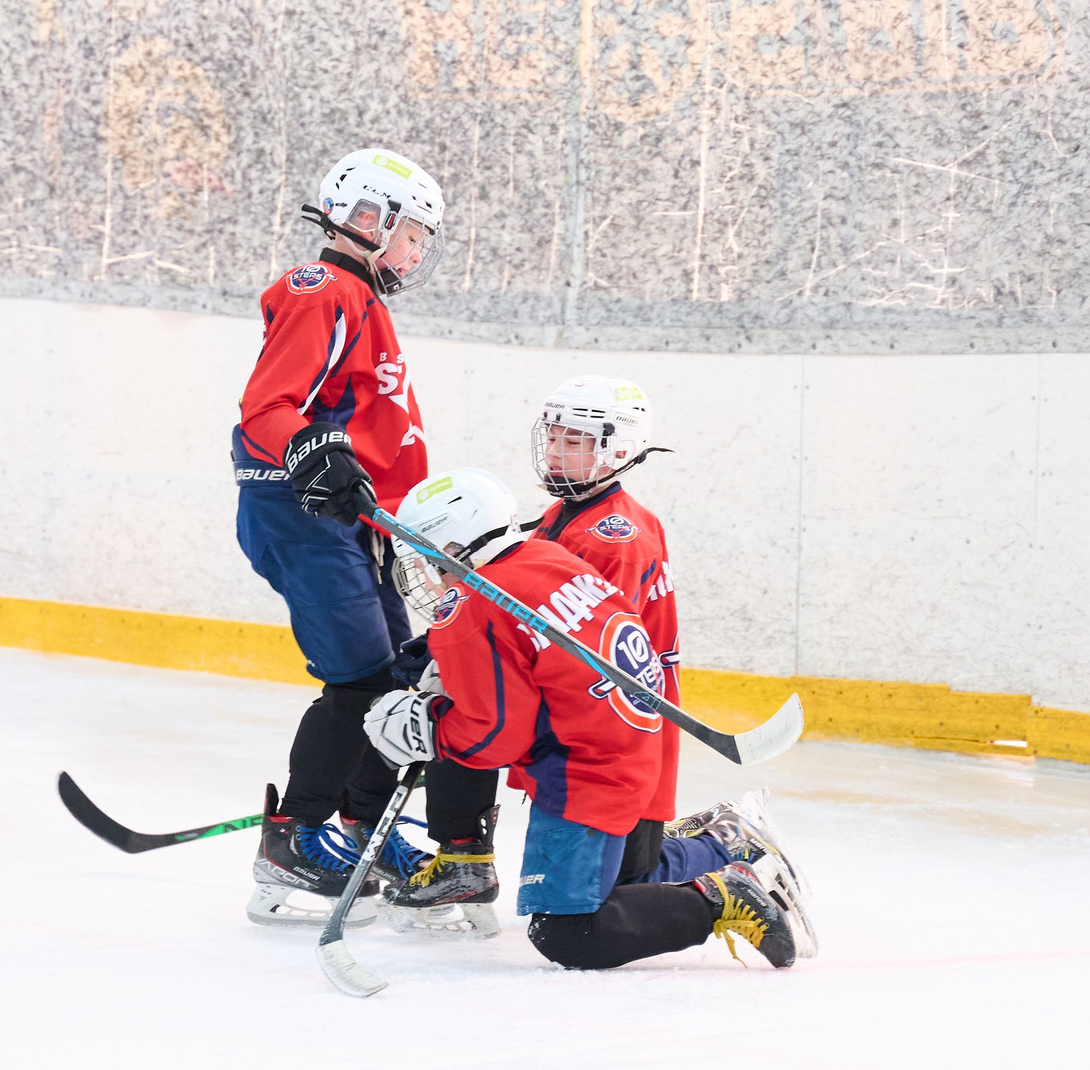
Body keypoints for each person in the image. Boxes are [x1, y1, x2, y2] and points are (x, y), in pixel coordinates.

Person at [363, 467, 801, 970]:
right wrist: (465, 676)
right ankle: (723, 844)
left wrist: (431, 727)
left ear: (456, 545)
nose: (424, 574)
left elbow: (495, 739)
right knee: (628, 882)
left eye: (427, 557)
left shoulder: (473, 607)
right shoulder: (547, 556)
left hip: (582, 775)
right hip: (631, 750)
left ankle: (722, 898)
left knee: (567, 931)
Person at [233, 148, 500, 925]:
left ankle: (360, 831)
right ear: (366, 219)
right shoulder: (323, 290)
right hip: (304, 512)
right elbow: (267, 407)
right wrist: (313, 450)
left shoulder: (364, 301)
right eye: (411, 233)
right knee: (358, 681)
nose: (417, 251)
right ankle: (294, 837)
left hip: (351, 520)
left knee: (390, 681)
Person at [522, 375, 816, 952]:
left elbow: (582, 650)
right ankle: (727, 837)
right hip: (620, 728)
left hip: (621, 728)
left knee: (614, 896)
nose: (557, 451)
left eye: (575, 441)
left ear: (620, 450)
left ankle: (727, 857)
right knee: (634, 878)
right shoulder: (569, 514)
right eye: (554, 436)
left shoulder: (615, 536)